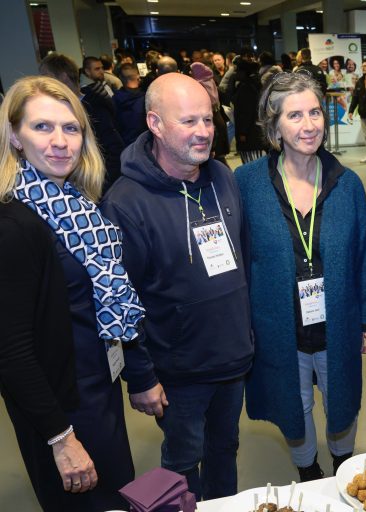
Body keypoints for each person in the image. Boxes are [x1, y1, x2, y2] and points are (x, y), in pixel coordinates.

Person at [99, 73, 253, 500]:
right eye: (188, 121)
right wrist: (141, 376)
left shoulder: (222, 176)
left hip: (231, 358)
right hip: (177, 372)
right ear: (155, 123)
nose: (203, 132)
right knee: (185, 461)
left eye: (208, 119)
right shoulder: (125, 203)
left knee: (226, 449)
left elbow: (240, 261)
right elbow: (118, 299)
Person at [0, 75, 144, 511]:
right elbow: (11, 351)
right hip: (62, 412)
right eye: (42, 127)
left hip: (97, 387)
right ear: (14, 137)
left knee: (119, 496)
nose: (60, 141)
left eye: (71, 128)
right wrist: (62, 441)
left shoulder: (74, 205)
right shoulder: (14, 224)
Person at [235, 72, 366, 481]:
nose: (309, 124)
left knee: (342, 401)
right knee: (293, 405)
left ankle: (343, 466)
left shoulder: (347, 183)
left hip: (338, 322)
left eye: (315, 111)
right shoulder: (247, 184)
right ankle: (309, 472)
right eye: (295, 115)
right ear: (273, 124)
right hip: (279, 325)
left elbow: (362, 256)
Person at [40, 53, 125, 191]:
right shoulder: (69, 107)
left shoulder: (94, 108)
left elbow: (114, 152)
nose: (43, 84)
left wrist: (96, 190)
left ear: (63, 77)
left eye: (46, 78)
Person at [190, 62, 229, 165]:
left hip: (211, 119)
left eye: (192, 71)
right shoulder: (211, 81)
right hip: (218, 117)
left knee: (216, 161)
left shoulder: (200, 85)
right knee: (220, 159)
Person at [233, 58, 266, 164]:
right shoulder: (255, 85)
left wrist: (243, 132)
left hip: (250, 135)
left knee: (251, 163)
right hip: (256, 132)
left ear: (243, 72)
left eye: (237, 71)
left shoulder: (246, 88)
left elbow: (246, 112)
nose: (235, 73)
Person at [112, 63, 147, 145]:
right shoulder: (145, 98)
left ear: (120, 78)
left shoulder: (114, 99)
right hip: (143, 143)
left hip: (123, 144)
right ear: (138, 77)